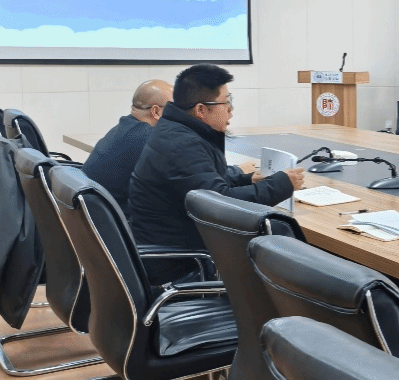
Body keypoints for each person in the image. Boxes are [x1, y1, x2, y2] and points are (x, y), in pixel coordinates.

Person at [128, 64, 305, 267]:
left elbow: (201, 182)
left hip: (176, 242)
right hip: (180, 260)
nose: (230, 110)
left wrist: (247, 179)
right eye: (226, 102)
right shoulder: (182, 144)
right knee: (281, 241)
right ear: (201, 110)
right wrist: (282, 184)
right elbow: (219, 204)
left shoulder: (177, 130)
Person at [81, 79, 173, 211]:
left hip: (92, 215)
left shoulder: (125, 127)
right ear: (156, 111)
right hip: (116, 219)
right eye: (176, 108)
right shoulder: (149, 140)